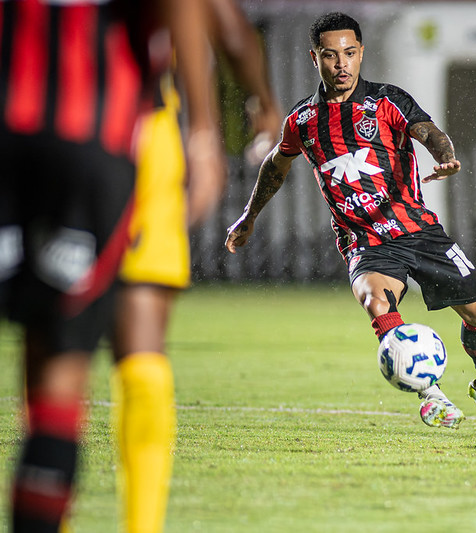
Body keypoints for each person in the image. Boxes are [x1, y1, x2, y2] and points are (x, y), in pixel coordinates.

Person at [225, 12, 476, 442]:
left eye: (349, 53)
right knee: (376, 301)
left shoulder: (387, 101)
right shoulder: (303, 120)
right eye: (331, 55)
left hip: (418, 230)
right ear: (315, 58)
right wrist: (249, 217)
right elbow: (275, 166)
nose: (341, 64)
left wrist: (445, 153)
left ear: (361, 53)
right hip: (364, 242)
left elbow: (430, 132)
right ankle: (430, 392)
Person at [0, 1, 225, 531]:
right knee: (59, 359)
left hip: (9, 122)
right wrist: (203, 130)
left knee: (43, 350)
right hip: (93, 135)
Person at [110, 1, 282, 531]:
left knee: (52, 354)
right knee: (140, 338)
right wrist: (222, 121)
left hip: (23, 121)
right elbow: (224, 27)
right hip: (131, 131)